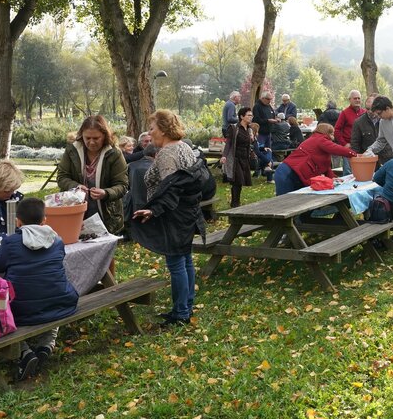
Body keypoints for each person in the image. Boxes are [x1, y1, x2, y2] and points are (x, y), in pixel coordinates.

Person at [0, 197, 78, 381]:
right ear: (44, 220)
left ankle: (25, 352)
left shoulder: (11, 243)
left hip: (22, 311)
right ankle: (46, 345)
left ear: (17, 221)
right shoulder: (57, 240)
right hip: (63, 304)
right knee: (53, 295)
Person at [131, 110, 209, 327]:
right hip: (188, 212)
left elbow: (169, 189)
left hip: (173, 215)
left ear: (163, 130)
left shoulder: (167, 153)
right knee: (185, 260)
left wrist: (154, 210)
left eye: (152, 128)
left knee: (176, 263)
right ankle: (186, 306)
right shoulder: (184, 146)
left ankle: (181, 313)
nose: (150, 132)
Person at [57, 115, 130, 235]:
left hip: (106, 213)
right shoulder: (71, 151)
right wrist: (75, 186)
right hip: (75, 210)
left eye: (96, 138)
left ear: (105, 136)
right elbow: (62, 177)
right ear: (81, 136)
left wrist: (106, 193)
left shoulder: (114, 154)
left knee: (104, 251)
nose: (91, 142)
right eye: (87, 138)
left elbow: (122, 185)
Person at [273, 123, 356, 195]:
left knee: (297, 202)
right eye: (332, 134)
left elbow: (325, 166)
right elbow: (337, 149)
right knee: (285, 202)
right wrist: (354, 155)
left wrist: (332, 177)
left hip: (291, 172)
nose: (333, 138)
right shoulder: (321, 140)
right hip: (289, 173)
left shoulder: (316, 140)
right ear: (327, 133)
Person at [223, 107, 255, 207]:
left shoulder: (249, 129)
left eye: (251, 115)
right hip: (235, 158)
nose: (251, 117)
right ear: (242, 116)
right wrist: (224, 156)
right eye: (249, 115)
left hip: (245, 158)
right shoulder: (234, 128)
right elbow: (228, 143)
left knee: (240, 182)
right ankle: (235, 203)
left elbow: (250, 144)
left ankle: (236, 201)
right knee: (237, 181)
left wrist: (253, 139)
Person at [351, 95, 393, 165]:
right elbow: (355, 144)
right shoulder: (358, 122)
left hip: (388, 158)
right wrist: (357, 160)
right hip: (370, 161)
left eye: (372, 109)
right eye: (367, 109)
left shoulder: (386, 118)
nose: (370, 111)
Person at [335, 90, 366, 175]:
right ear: (350, 100)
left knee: (362, 171)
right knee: (348, 173)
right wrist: (344, 144)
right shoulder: (344, 113)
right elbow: (337, 130)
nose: (357, 100)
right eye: (355, 98)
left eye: (359, 98)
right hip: (349, 147)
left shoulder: (364, 112)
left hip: (362, 148)